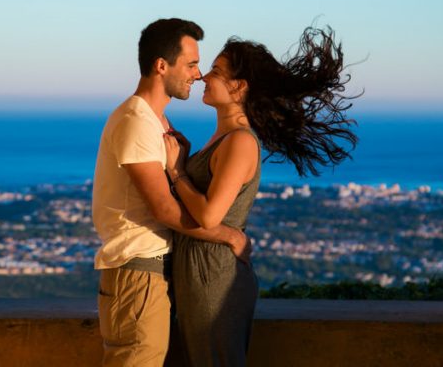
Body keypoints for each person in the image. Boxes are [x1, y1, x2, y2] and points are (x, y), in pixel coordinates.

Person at [164, 26, 357, 367]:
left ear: (239, 87)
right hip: (200, 270)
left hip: (214, 276)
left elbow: (209, 217)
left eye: (217, 72)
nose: (205, 76)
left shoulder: (239, 141)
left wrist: (178, 172)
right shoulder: (221, 137)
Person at [91, 18, 250, 367]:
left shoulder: (155, 121)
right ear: (161, 66)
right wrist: (228, 236)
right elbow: (164, 208)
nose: (197, 75)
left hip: (153, 275)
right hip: (138, 275)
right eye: (191, 64)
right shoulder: (136, 120)